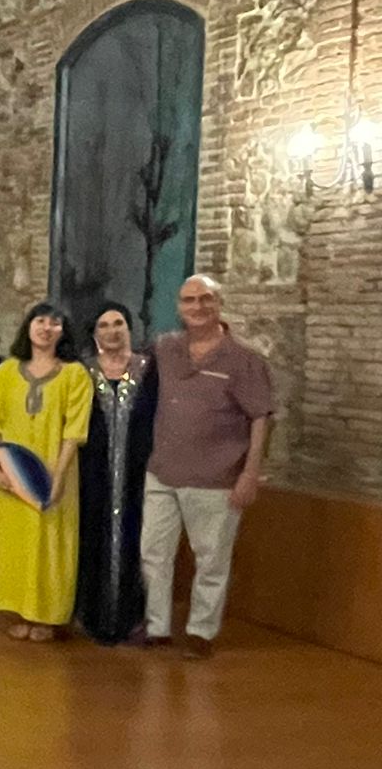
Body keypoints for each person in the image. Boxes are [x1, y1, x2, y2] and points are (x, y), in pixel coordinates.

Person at [140, 274, 274, 656]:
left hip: (217, 478)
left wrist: (250, 473)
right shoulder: (166, 348)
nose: (197, 307)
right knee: (153, 553)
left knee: (211, 559)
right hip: (162, 472)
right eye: (189, 300)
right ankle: (157, 627)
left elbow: (262, 417)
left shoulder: (244, 359)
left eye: (205, 299)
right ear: (179, 306)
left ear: (219, 304)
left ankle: (201, 632)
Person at [0, 302, 92, 642]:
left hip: (54, 470)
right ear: (27, 327)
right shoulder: (5, 371)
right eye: (39, 321)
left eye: (54, 323)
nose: (46, 328)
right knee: (13, 541)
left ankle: (46, 615)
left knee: (49, 542)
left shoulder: (74, 374)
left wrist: (57, 478)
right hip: (8, 471)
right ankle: (19, 611)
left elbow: (74, 431)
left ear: (63, 331)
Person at [77, 303, 159, 645]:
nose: (112, 331)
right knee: (91, 538)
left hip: (139, 472)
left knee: (137, 542)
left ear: (129, 327)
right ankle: (91, 616)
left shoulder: (148, 369)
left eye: (118, 323)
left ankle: (133, 618)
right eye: (104, 325)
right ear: (95, 333)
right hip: (91, 474)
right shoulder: (82, 371)